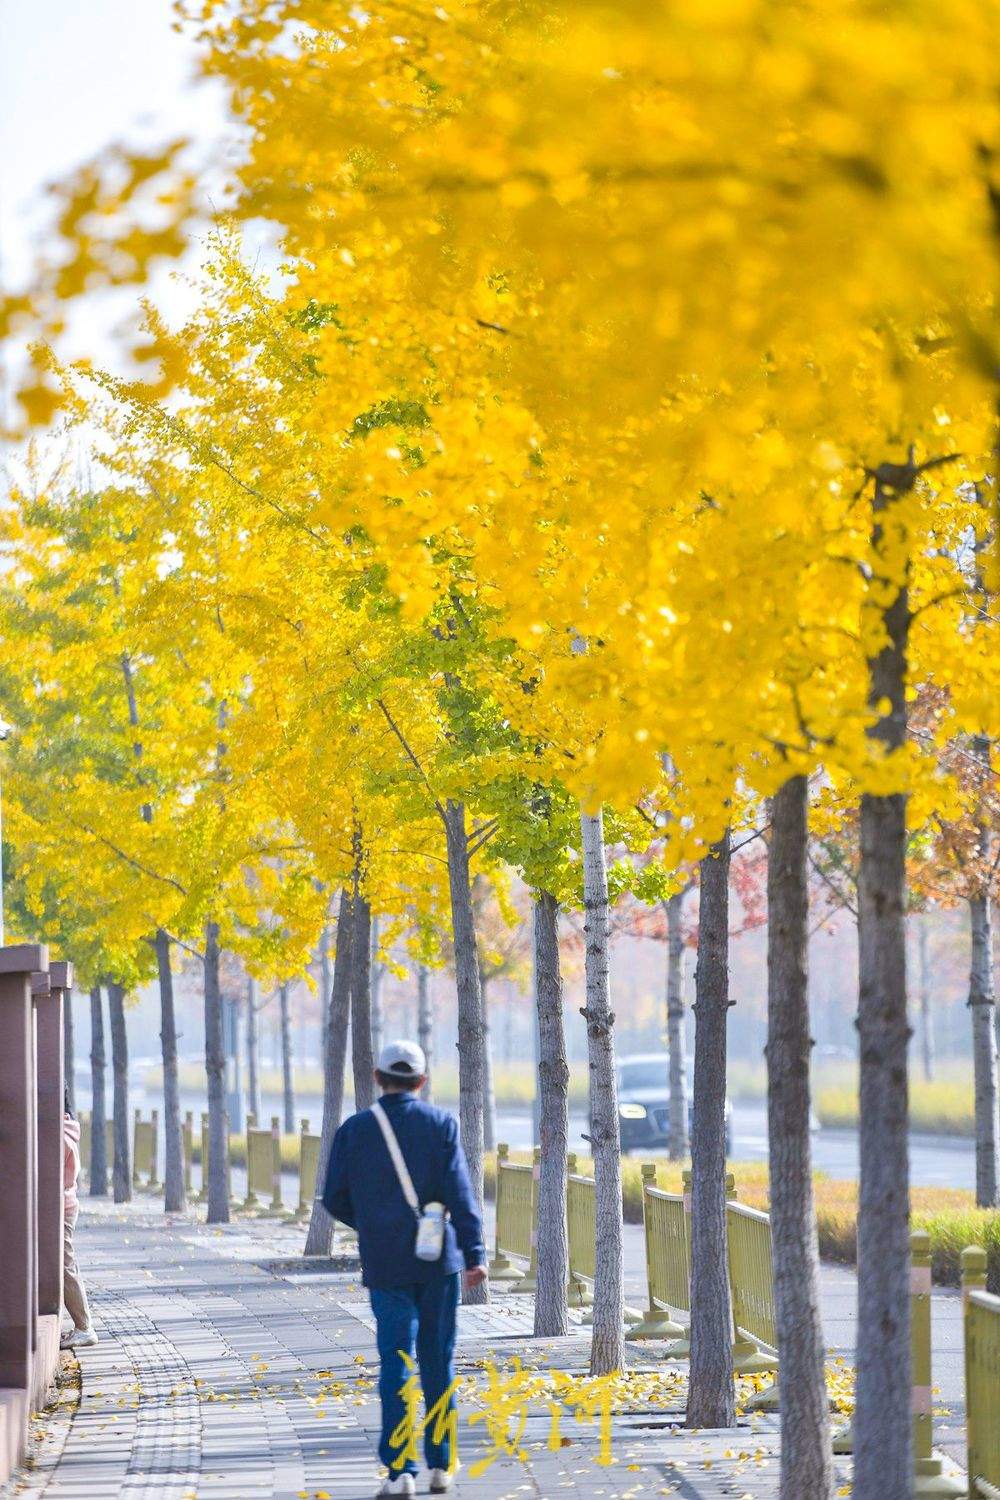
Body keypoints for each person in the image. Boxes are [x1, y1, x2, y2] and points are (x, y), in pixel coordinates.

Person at [324, 1040, 487, 1498]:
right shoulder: (440, 1124)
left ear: (377, 1078)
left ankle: (399, 1472)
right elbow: (461, 1194)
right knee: (439, 1361)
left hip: (386, 1262)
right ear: (421, 1080)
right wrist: (475, 1255)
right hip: (439, 1264)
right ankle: (441, 1465)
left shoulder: (355, 1130)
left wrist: (374, 1223)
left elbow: (333, 1196)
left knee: (395, 1363)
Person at [61, 1089, 98, 1349]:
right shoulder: (66, 1127)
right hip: (64, 1205)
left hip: (61, 1207)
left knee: (65, 1265)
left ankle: (84, 1327)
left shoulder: (61, 1132)